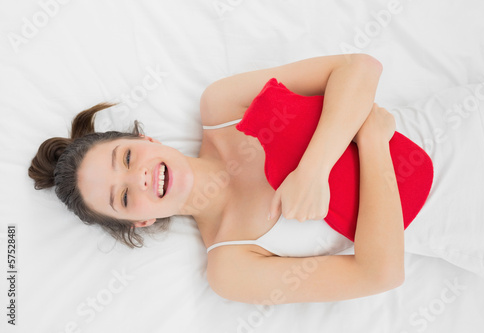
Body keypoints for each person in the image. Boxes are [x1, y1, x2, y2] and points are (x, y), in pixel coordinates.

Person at [29, 54, 406, 304]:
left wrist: (313, 170)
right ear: (140, 221)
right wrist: (372, 142)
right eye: (124, 197)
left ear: (146, 140)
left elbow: (359, 68)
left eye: (126, 157)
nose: (139, 177)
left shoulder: (224, 105)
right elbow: (379, 274)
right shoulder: (231, 269)